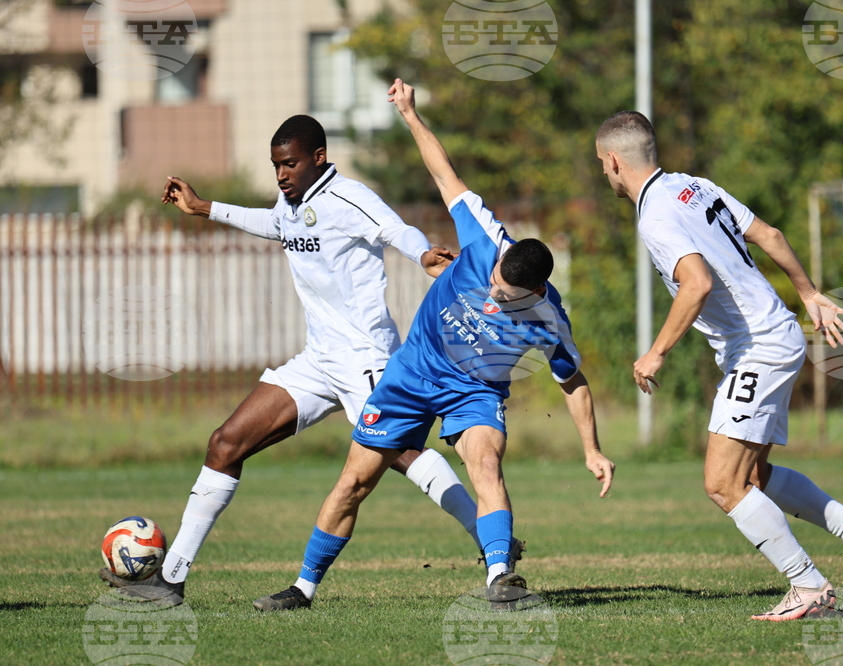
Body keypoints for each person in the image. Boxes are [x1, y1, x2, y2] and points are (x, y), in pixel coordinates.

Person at [99, 114, 517, 606]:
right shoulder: (290, 201)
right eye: (276, 165)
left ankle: (494, 545)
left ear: (318, 157)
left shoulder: (349, 197)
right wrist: (203, 207)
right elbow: (273, 223)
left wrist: (423, 255)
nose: (281, 174)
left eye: (290, 164)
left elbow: (394, 229)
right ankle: (170, 581)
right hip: (319, 360)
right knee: (226, 443)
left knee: (404, 456)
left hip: (368, 358)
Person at [252, 80, 615, 611]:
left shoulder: (546, 317)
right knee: (355, 481)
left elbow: (574, 383)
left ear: (536, 292)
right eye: (493, 279)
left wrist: (591, 448)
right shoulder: (485, 238)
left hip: (474, 392)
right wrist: (410, 114)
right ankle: (303, 587)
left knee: (486, 464)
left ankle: (500, 577)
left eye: (506, 295)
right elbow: (444, 174)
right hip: (411, 374)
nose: (493, 291)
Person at [596, 111, 843, 621]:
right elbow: (771, 234)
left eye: (602, 166)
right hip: (774, 335)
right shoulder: (694, 186)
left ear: (614, 162)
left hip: (757, 346)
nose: (605, 175)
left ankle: (808, 587)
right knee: (752, 476)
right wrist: (809, 293)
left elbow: (697, 284)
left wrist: (656, 352)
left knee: (721, 483)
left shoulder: (655, 217)